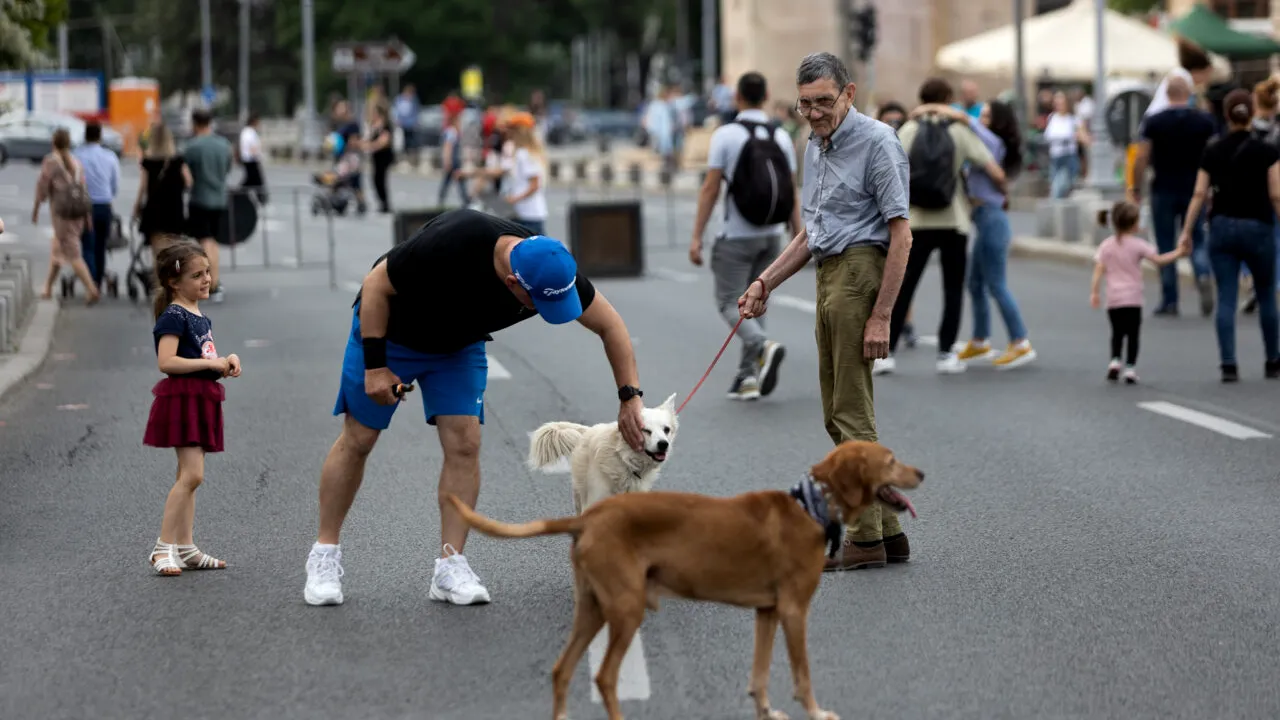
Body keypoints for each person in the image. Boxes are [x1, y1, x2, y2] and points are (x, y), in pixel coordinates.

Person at [303, 208, 646, 606]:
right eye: (536, 304)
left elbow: (611, 326)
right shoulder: (454, 240)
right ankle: (324, 555)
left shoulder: (551, 267)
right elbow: (377, 283)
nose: (540, 313)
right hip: (391, 335)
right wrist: (377, 367)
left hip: (457, 346)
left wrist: (630, 397)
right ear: (513, 283)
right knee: (360, 438)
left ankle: (450, 566)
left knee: (465, 442)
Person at [738, 52, 912, 571]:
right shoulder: (811, 145)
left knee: (851, 412)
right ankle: (889, 532)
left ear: (849, 93)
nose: (813, 113)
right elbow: (812, 233)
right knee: (836, 410)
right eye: (805, 103)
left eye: (823, 102)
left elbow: (901, 234)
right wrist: (765, 281)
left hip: (860, 272)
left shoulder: (878, 141)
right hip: (830, 273)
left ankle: (863, 540)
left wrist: (882, 316)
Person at [877, 78, 1007, 377]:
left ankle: (887, 354)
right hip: (954, 221)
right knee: (952, 289)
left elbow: (888, 169)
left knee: (905, 286)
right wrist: (1002, 191)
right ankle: (946, 354)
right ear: (948, 100)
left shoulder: (907, 130)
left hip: (917, 221)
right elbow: (994, 169)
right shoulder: (959, 130)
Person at [691, 71, 799, 401]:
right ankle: (748, 377)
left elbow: (711, 188)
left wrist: (696, 236)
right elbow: (791, 190)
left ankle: (761, 345)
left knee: (728, 301)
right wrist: (798, 234)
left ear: (737, 97)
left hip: (736, 235)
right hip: (772, 236)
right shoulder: (781, 137)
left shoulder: (726, 135)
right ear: (766, 96)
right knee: (757, 301)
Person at [912, 99, 1036, 369]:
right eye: (982, 116)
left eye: (988, 116)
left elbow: (967, 122)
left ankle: (1020, 341)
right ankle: (980, 341)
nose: (982, 120)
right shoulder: (989, 141)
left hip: (991, 218)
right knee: (975, 284)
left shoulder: (991, 141)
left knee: (995, 283)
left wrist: (931, 109)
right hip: (983, 217)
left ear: (999, 122)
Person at [144, 242, 242, 575]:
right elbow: (166, 361)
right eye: (196, 275)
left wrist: (224, 362)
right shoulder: (174, 315)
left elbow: (202, 356)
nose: (206, 280)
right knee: (192, 475)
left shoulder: (199, 314)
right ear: (174, 282)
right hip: (183, 399)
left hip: (200, 396)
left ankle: (185, 547)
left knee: (189, 477)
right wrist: (211, 363)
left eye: (207, 273)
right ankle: (162, 548)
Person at [1179, 89, 1280, 383]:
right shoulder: (1268, 151)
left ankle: (1228, 365)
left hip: (1222, 228)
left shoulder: (1212, 150)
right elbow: (1276, 195)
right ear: (1252, 114)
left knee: (1226, 297)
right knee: (1266, 295)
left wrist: (1186, 231)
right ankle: (1273, 360)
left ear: (1225, 115)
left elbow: (1199, 193)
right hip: (1259, 227)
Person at [1129, 75, 1217, 317]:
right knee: (1197, 237)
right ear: (1188, 93)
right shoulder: (1204, 121)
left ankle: (1170, 300)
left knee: (1166, 243)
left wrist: (1135, 187)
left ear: (1166, 95)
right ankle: (1203, 273)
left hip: (1163, 187)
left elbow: (1142, 156)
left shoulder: (1154, 122)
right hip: (1195, 189)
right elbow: (1214, 154)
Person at [1090, 202, 1185, 384]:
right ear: (1134, 224)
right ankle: (1130, 368)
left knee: (1117, 333)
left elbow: (1098, 270)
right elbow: (1159, 260)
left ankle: (1114, 361)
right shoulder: (1138, 245)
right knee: (1133, 334)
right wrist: (1179, 253)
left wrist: (1094, 292)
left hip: (1114, 299)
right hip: (1133, 299)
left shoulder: (1106, 246)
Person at [33, 127, 98, 304]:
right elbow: (83, 190)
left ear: (53, 142)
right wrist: (88, 218)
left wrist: (36, 209)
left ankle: (91, 288)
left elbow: (42, 187)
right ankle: (47, 287)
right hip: (77, 215)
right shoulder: (76, 162)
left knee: (72, 254)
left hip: (62, 216)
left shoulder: (51, 161)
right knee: (58, 249)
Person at [184, 109, 233, 303]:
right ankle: (216, 280)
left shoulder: (192, 147)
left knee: (205, 241)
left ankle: (211, 281)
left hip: (200, 198)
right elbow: (228, 168)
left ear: (195, 123)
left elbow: (186, 172)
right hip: (220, 198)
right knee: (213, 241)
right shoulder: (223, 144)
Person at [132, 123, 192, 263]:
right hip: (174, 210)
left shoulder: (148, 162)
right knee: (174, 255)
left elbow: (143, 186)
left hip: (154, 211)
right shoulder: (178, 160)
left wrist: (137, 206)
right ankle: (174, 283)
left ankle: (159, 284)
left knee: (158, 256)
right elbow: (189, 181)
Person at [75, 121, 120, 293]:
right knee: (101, 245)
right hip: (103, 205)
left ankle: (91, 282)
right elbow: (115, 184)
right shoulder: (110, 156)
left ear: (85, 135)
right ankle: (98, 281)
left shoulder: (77, 155)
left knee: (87, 245)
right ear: (100, 135)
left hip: (84, 206)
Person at [499, 111, 549, 234]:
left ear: (519, 132)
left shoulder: (524, 154)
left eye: (512, 129)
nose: (508, 132)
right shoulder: (530, 152)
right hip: (527, 213)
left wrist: (514, 199)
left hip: (528, 214)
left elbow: (534, 185)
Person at [1044, 91, 1090, 199]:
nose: (1058, 104)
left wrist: (1085, 138)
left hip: (1068, 157)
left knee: (1060, 187)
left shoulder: (1073, 119)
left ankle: (1056, 209)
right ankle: (1058, 212)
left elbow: (1083, 135)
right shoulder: (1052, 118)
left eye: (1061, 102)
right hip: (1055, 157)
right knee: (1057, 186)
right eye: (1056, 102)